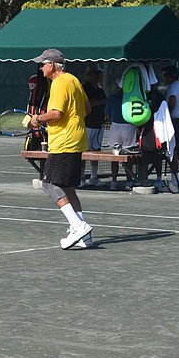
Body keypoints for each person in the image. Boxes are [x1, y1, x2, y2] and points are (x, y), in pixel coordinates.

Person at [28, 49, 94, 249]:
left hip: (64, 142)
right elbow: (87, 108)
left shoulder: (58, 83)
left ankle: (78, 226)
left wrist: (38, 119)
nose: (41, 68)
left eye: (43, 64)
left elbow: (56, 113)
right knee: (67, 187)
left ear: (52, 65)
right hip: (76, 139)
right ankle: (85, 238)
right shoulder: (74, 80)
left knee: (48, 184)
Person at [105, 81, 138, 190]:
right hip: (129, 126)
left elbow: (107, 114)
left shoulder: (112, 98)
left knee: (115, 155)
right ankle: (129, 181)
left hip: (115, 126)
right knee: (128, 154)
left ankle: (114, 182)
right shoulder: (132, 98)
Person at [81, 64, 107, 187]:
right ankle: (81, 177)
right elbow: (86, 104)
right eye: (95, 73)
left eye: (99, 74)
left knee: (96, 151)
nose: (98, 76)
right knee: (84, 151)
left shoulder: (100, 90)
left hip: (99, 124)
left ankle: (94, 177)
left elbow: (105, 103)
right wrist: (100, 102)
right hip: (88, 124)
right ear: (89, 75)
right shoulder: (84, 88)